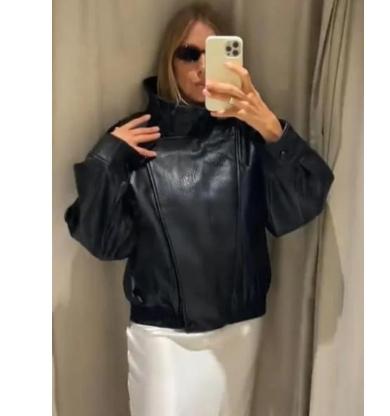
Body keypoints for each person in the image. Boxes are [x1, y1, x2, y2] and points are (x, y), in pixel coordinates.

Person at [64, 2, 334, 415]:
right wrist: (105, 160)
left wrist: (273, 131)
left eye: (216, 53)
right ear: (169, 60)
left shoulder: (248, 136)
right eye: (190, 54)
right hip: (162, 335)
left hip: (239, 326)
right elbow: (104, 241)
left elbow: (302, 202)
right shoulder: (137, 136)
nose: (203, 67)